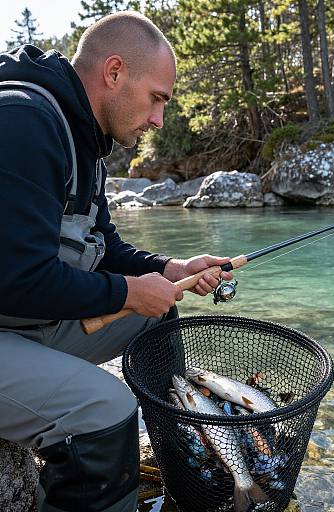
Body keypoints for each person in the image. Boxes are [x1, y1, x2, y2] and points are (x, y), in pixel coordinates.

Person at [0, 11, 232, 512]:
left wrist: (170, 270)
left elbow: (106, 247)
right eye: (157, 99)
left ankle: (181, 462)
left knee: (159, 318)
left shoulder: (84, 141)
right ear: (113, 72)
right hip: (10, 313)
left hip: (17, 324)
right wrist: (129, 293)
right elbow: (16, 279)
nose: (158, 120)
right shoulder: (23, 123)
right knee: (107, 413)